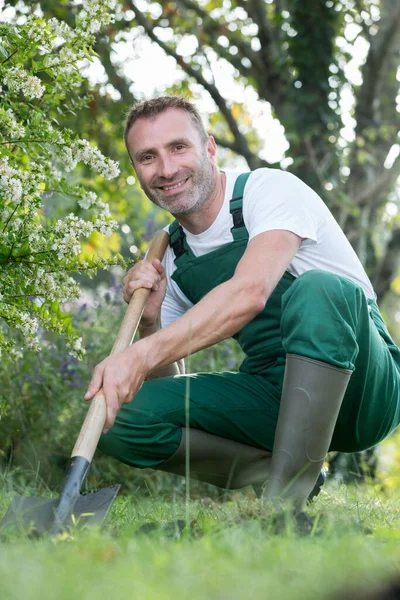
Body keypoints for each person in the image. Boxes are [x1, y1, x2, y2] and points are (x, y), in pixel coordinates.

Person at [84, 96, 400, 507]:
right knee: (120, 416)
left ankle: (283, 505)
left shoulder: (267, 191)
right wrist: (150, 322)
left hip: (365, 388)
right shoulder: (171, 257)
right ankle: (277, 471)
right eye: (148, 157)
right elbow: (170, 387)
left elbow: (250, 293)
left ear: (210, 148)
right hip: (275, 396)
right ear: (137, 170)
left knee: (321, 288)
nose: (166, 169)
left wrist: (137, 357)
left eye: (179, 147)